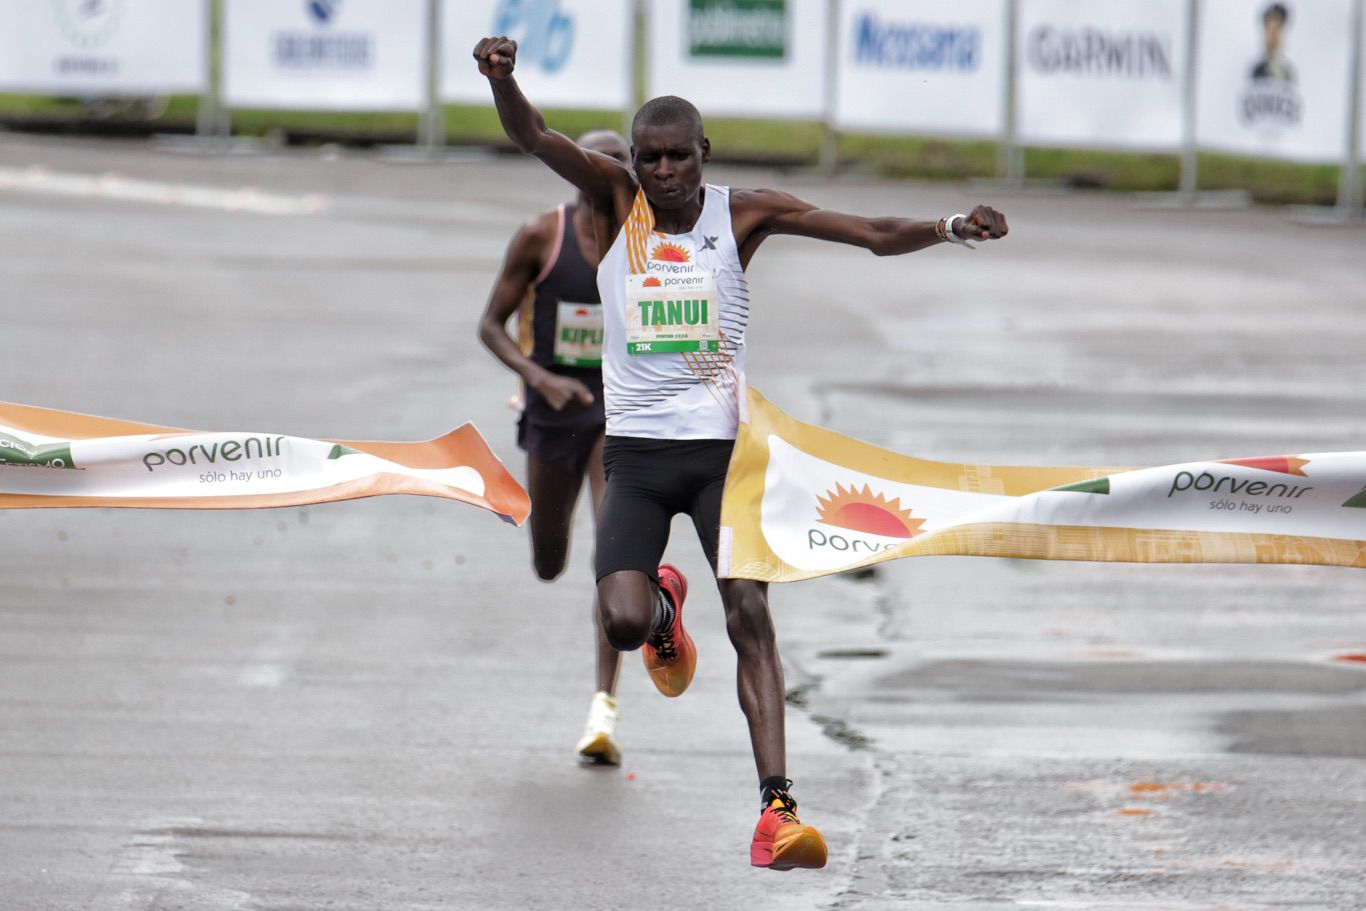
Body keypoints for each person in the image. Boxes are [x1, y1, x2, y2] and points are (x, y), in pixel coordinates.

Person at [472, 35, 1008, 870]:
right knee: (617, 618)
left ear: (703, 154)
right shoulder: (619, 202)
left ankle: (778, 811)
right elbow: (536, 137)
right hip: (639, 459)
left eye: (678, 157)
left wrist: (950, 227)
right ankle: (660, 612)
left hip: (726, 458)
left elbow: (868, 231)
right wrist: (503, 81)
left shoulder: (744, 213)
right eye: (649, 158)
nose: (663, 172)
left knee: (751, 614)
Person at [477, 130, 632, 767]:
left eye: (619, 161)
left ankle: (603, 709)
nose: (606, 170)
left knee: (616, 551)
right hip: (552, 411)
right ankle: (560, 552)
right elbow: (489, 324)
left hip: (620, 415)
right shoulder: (542, 235)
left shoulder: (651, 244)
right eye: (595, 159)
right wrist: (539, 377)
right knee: (549, 560)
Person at [1251, 3, 1295, 83]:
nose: (1273, 35)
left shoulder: (1287, 72)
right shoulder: (1256, 70)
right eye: (1270, 29)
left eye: (1277, 29)